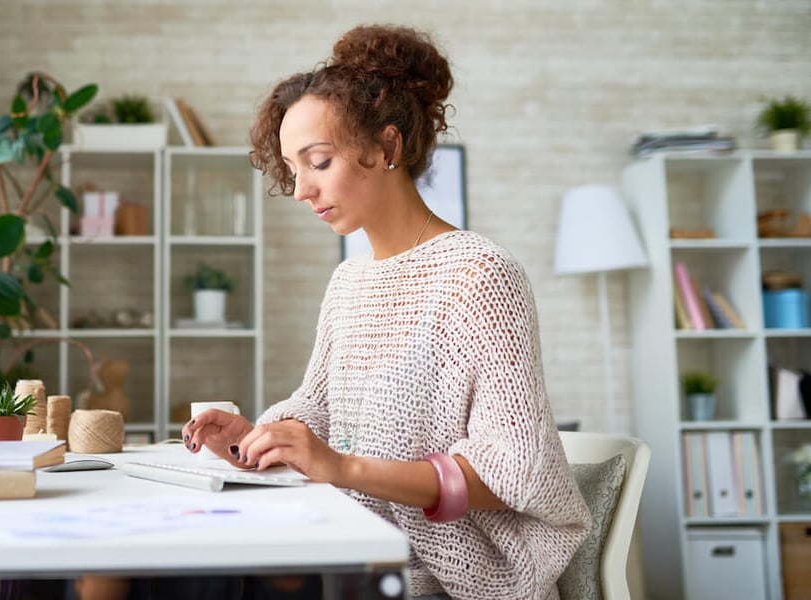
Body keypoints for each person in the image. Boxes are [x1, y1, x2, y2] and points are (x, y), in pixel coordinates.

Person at [182, 23, 591, 600]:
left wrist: (344, 468)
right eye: (292, 169)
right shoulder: (349, 281)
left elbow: (515, 472)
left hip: (454, 583)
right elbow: (322, 413)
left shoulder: (480, 274)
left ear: (388, 147)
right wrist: (256, 439)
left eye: (317, 162)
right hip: (356, 556)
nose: (300, 190)